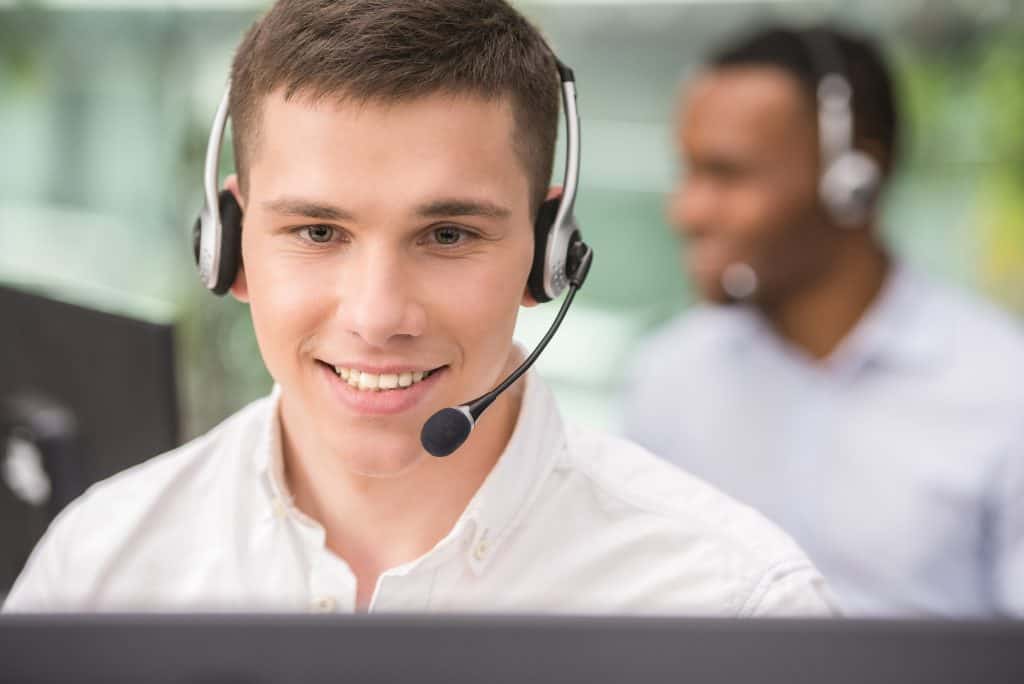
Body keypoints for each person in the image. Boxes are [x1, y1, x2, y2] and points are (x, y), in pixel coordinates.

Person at [3, 0, 833, 617]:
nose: (377, 314)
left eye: (446, 234)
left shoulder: (733, 602)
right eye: (319, 230)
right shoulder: (100, 570)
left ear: (547, 252)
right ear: (228, 243)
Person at [623, 24, 1024, 617]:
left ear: (853, 182)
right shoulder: (670, 375)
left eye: (727, 174)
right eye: (688, 173)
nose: (687, 210)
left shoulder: (1002, 388)